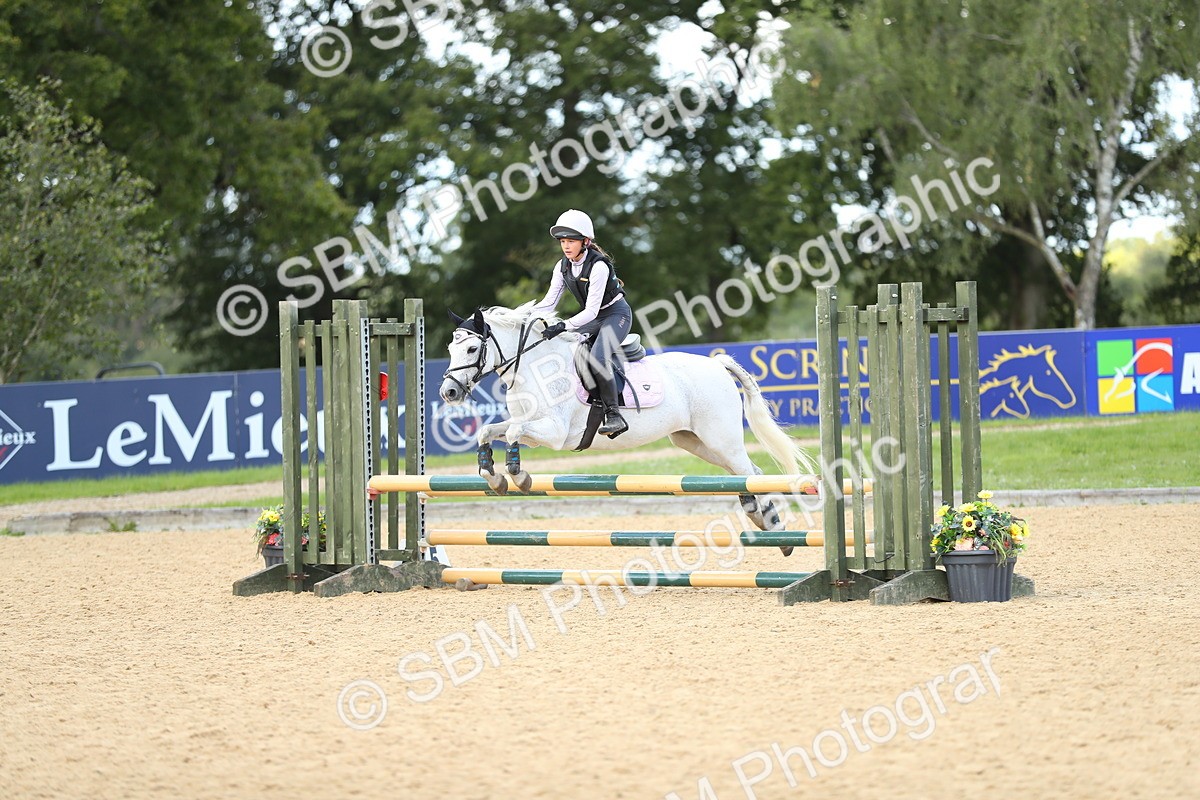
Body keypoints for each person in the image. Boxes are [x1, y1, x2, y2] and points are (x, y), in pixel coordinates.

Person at [531, 209, 632, 437]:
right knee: (568, 351)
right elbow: (548, 302)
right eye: (563, 241)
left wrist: (563, 325)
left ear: (585, 242)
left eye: (571, 241)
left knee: (597, 358)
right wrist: (521, 315)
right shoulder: (562, 266)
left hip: (616, 315)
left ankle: (614, 415)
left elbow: (591, 311)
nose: (566, 246)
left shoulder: (599, 266)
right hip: (594, 318)